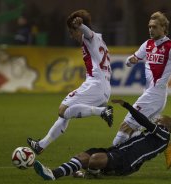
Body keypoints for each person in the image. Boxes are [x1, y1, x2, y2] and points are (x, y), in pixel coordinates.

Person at [112, 11, 171, 168]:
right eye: (149, 27)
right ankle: (166, 147)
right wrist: (132, 60)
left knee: (126, 126)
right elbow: (130, 60)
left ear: (163, 27)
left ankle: (110, 158)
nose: (150, 30)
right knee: (138, 132)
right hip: (150, 94)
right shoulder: (147, 44)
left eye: (154, 27)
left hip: (155, 95)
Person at [27, 10, 113, 154]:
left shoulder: (90, 37)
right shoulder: (99, 40)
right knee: (67, 113)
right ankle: (41, 145)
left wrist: (81, 26)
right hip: (103, 87)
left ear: (78, 29)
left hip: (95, 84)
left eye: (72, 31)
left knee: (63, 110)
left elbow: (88, 33)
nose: (70, 35)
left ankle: (102, 111)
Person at [33, 99, 171, 180]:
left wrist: (127, 106)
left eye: (158, 119)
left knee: (94, 159)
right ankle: (54, 173)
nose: (155, 119)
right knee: (84, 156)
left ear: (165, 125)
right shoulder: (150, 136)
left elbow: (145, 122)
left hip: (127, 162)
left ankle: (92, 172)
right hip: (117, 151)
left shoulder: (164, 136)